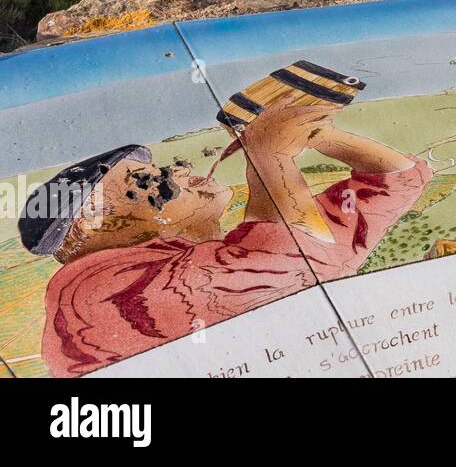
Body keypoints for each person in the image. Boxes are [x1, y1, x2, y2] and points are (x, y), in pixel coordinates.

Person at [19, 97, 429, 377]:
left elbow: (398, 181)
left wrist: (317, 134)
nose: (176, 170)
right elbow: (289, 266)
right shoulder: (96, 292)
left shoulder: (202, 259)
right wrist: (270, 157)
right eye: (144, 179)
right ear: (95, 224)